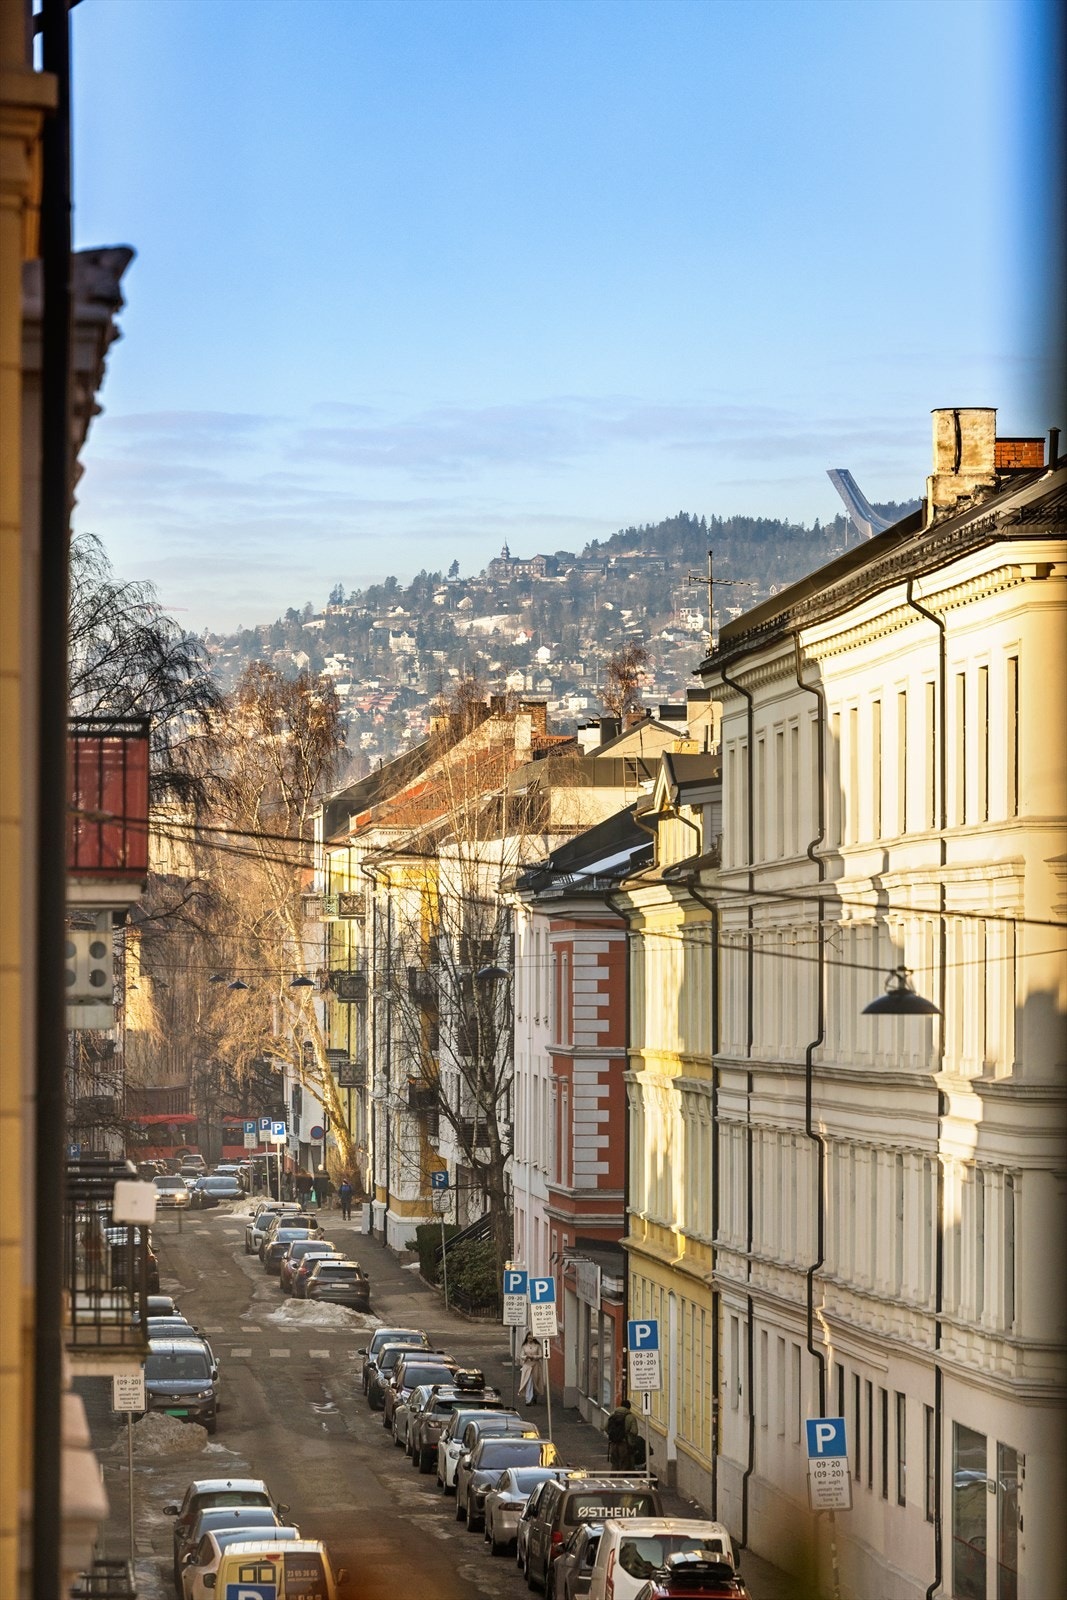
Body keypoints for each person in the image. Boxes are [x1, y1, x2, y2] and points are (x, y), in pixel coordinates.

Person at [606, 1397, 639, 1469]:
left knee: (614, 1464)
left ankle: (612, 1479)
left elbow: (606, 1428)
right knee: (624, 1464)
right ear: (629, 1408)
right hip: (624, 1443)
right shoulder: (630, 1417)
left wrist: (614, 1435)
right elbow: (634, 1431)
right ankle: (620, 1479)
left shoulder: (613, 1414)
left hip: (613, 1443)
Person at [519, 1332, 545, 1406]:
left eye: (531, 1338)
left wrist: (534, 1357)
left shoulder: (537, 1346)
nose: (529, 1339)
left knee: (535, 1382)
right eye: (528, 1338)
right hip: (527, 1365)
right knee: (528, 1381)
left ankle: (534, 1396)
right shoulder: (524, 1346)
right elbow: (521, 1355)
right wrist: (526, 1357)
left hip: (535, 1365)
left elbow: (541, 1355)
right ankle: (528, 1399)